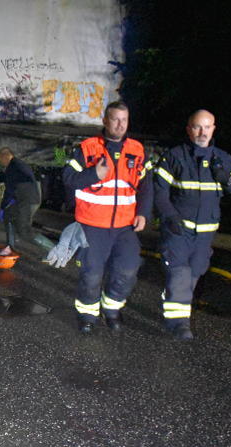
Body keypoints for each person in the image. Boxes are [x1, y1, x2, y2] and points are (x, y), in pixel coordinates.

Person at [154, 109, 231, 340]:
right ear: (189, 129)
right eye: (197, 126)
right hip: (178, 229)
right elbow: (159, 191)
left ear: (214, 129)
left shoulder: (223, 159)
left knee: (195, 272)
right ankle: (179, 325)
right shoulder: (174, 157)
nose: (202, 132)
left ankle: (174, 301)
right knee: (179, 273)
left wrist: (225, 176)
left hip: (205, 234)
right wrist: (169, 216)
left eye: (207, 127)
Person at [62, 101, 153, 334]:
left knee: (128, 269)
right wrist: (94, 174)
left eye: (124, 120)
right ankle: (88, 315)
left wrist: (143, 213)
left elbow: (147, 187)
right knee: (91, 274)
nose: (120, 124)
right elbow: (68, 178)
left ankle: (111, 309)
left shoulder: (137, 150)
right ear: (105, 121)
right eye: (115, 119)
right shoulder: (87, 148)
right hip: (92, 225)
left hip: (124, 227)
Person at [0, 147, 41, 254]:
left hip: (27, 202)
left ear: (5, 156)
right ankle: (10, 247)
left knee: (24, 231)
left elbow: (10, 190)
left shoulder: (13, 167)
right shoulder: (19, 165)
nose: (1, 163)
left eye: (0, 160)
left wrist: (3, 206)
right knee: (9, 216)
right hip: (27, 200)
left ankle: (54, 250)